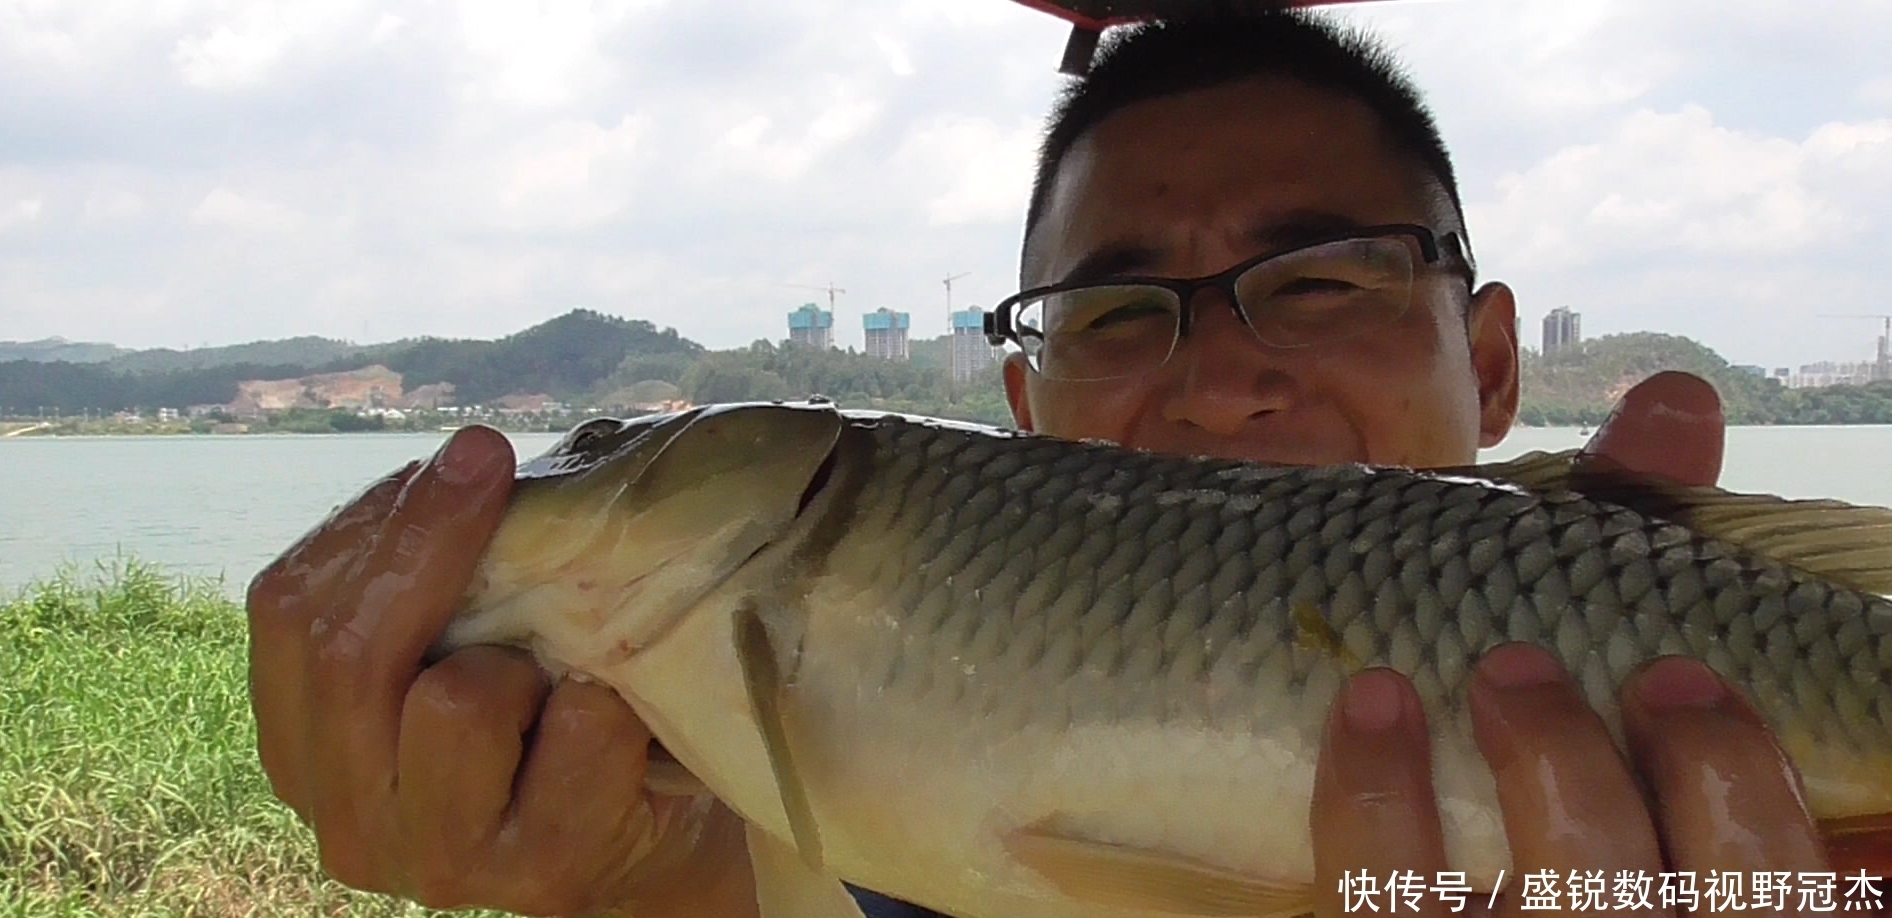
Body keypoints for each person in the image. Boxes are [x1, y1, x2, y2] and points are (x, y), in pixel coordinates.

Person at [246, 8, 1833, 918]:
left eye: (1322, 277)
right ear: (1018, 399)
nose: (1219, 384)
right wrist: (616, 882)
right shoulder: (791, 795)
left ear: (1491, 363)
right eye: (1117, 311)